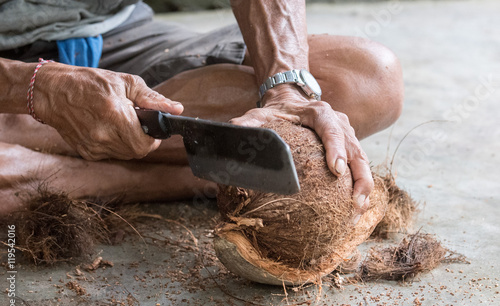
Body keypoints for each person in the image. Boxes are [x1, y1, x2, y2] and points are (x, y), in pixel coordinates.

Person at [0, 0, 403, 215]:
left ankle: (56, 166)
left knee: (369, 80)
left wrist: (287, 88)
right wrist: (40, 89)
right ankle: (212, 176)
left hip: (116, 35)